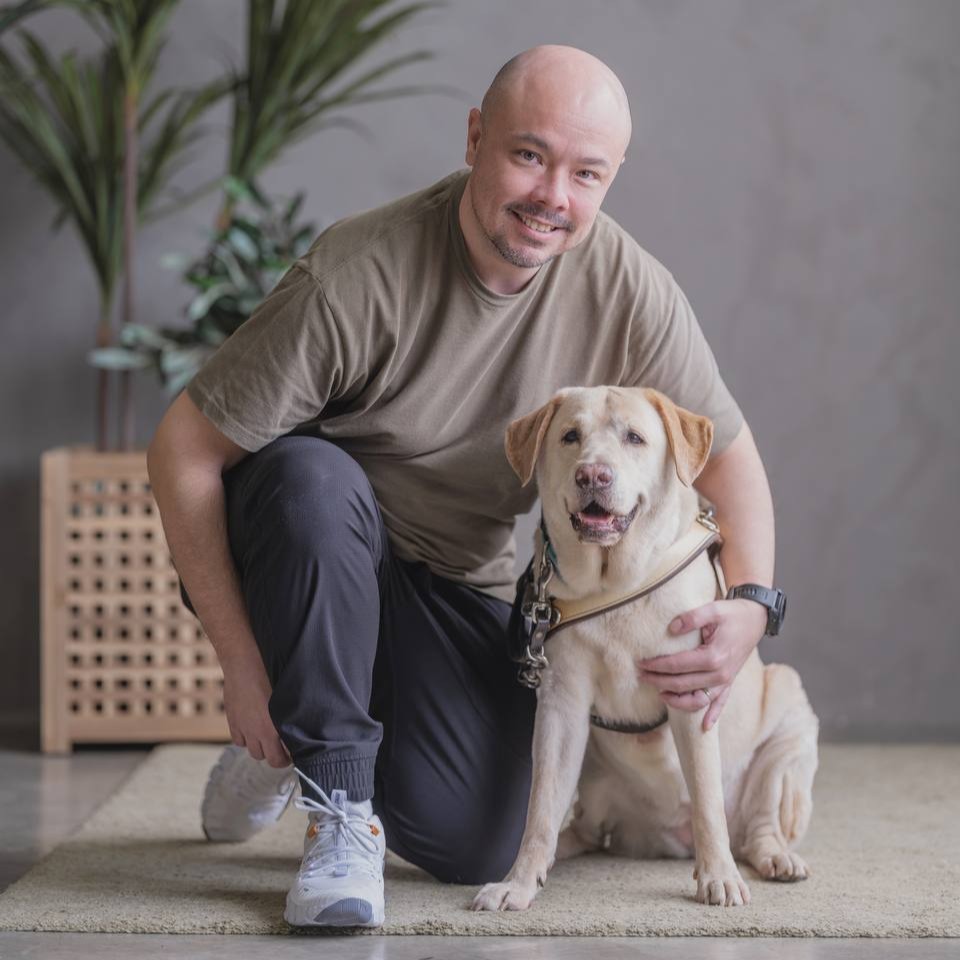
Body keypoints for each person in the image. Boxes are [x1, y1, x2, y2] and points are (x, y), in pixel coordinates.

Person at [147, 44, 778, 929]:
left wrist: (751, 605)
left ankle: (305, 717)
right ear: (476, 137)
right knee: (311, 478)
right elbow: (183, 450)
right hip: (319, 549)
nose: (552, 196)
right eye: (529, 154)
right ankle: (331, 790)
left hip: (449, 584)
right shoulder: (359, 272)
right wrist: (242, 663)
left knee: (482, 838)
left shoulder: (626, 284)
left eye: (584, 172)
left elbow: (731, 460)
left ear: (610, 179)